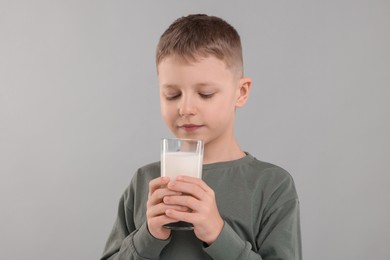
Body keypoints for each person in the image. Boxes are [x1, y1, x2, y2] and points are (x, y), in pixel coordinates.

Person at [101, 14, 301, 260]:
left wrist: (218, 234)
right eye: (172, 95)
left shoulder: (271, 185)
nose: (185, 108)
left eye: (205, 94)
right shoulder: (144, 181)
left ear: (241, 92)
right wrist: (148, 237)